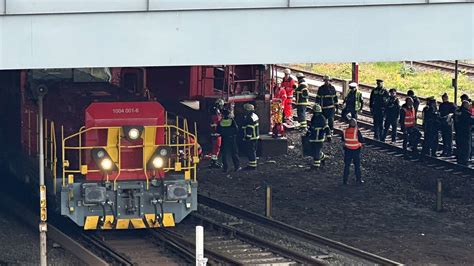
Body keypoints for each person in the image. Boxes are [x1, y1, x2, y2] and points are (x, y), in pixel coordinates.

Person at [217, 109, 241, 173]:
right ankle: (237, 167)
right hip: (232, 138)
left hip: (224, 139)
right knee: (234, 153)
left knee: (224, 154)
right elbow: (236, 129)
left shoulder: (221, 122)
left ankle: (225, 168)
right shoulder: (231, 121)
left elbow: (218, 130)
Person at [308, 104, 331, 169]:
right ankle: (322, 157)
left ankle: (316, 165)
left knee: (316, 151)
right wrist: (308, 133)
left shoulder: (322, 118)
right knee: (314, 151)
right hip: (313, 137)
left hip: (319, 138)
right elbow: (311, 127)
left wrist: (328, 136)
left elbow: (326, 127)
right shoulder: (314, 117)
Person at [342, 118, 365, 185]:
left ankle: (345, 181)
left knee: (346, 166)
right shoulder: (357, 131)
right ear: (355, 124)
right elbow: (362, 140)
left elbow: (343, 140)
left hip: (347, 151)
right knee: (357, 166)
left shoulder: (345, 131)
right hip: (356, 151)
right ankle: (359, 179)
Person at [454, 100, 474, 165]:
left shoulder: (458, 112)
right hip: (466, 133)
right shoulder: (466, 114)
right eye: (468, 105)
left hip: (458, 132)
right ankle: (465, 160)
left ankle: (459, 159)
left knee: (459, 146)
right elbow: (471, 121)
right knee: (466, 146)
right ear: (465, 105)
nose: (469, 106)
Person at [242, 103, 260, 169]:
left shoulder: (249, 118)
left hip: (251, 138)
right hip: (255, 137)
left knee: (250, 151)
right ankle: (252, 164)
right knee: (253, 151)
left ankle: (252, 165)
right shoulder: (254, 116)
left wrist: (247, 137)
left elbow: (250, 128)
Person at [209, 98, 224, 168]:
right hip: (216, 133)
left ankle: (214, 161)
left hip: (216, 133)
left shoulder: (215, 111)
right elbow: (215, 123)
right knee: (216, 147)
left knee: (216, 148)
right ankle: (214, 162)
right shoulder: (215, 113)